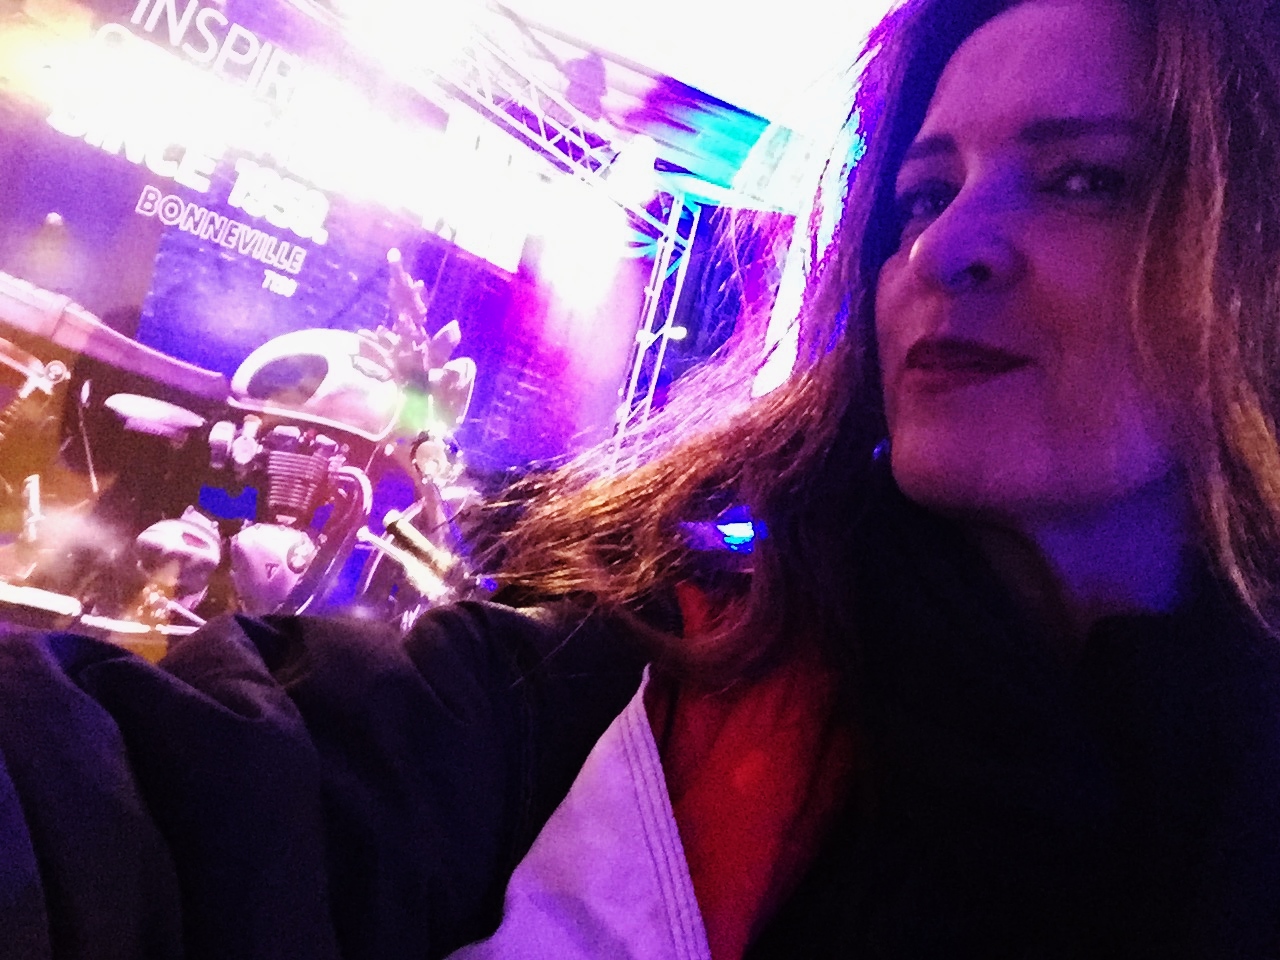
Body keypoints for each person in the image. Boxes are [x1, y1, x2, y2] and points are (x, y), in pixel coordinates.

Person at [3, 0, 1280, 957]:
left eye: (1084, 180)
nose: (947, 248)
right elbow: (152, 800)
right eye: (920, 194)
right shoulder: (618, 695)